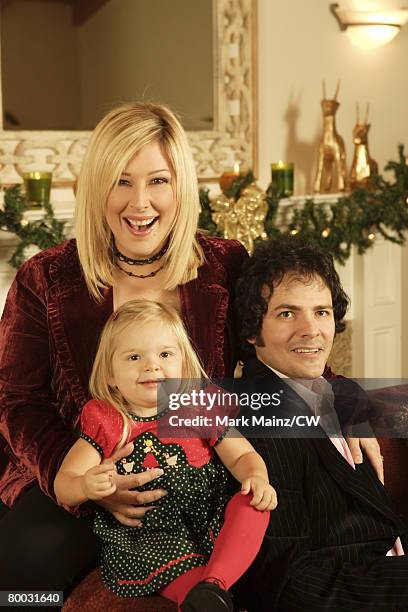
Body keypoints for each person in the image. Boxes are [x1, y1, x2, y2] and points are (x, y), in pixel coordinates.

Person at [0, 102, 248, 593]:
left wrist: (345, 405)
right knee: (22, 571)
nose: (140, 204)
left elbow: (281, 346)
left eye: (158, 180)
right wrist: (92, 483)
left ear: (181, 186)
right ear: (97, 188)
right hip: (81, 474)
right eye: (121, 181)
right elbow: (17, 403)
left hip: (200, 473)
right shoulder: (45, 278)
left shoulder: (226, 265)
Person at [54, 299, 276, 610]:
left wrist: (256, 477)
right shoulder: (109, 420)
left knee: (252, 505)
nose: (151, 365)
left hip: (208, 518)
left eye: (165, 354)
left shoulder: (198, 407)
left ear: (183, 365)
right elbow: (65, 482)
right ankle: (205, 595)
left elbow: (241, 456)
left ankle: (214, 584)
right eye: (134, 357)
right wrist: (86, 486)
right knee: (173, 564)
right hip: (150, 536)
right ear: (110, 376)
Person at [233, 235, 408, 612]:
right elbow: (288, 578)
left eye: (322, 312)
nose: (311, 330)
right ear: (252, 330)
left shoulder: (330, 394)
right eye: (286, 313)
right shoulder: (261, 417)